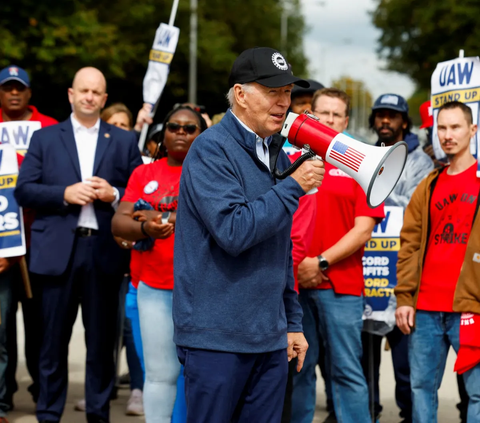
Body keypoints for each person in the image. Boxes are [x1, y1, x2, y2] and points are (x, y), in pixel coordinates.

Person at [172, 47, 324, 423]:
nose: (284, 102)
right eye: (273, 92)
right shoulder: (211, 148)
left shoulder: (275, 151)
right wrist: (292, 188)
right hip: (216, 340)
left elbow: (278, 246)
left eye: (288, 93)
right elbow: (233, 231)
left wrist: (291, 322)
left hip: (268, 339)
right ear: (240, 94)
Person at [14, 67, 143, 423]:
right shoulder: (45, 138)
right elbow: (24, 190)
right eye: (83, 90)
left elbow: (138, 194)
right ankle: (49, 413)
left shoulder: (123, 141)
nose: (89, 97)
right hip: (56, 253)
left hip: (104, 251)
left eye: (96, 92)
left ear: (104, 99)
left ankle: (99, 414)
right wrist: (64, 194)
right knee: (51, 342)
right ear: (71, 94)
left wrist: (114, 193)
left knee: (102, 345)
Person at [291, 88, 385, 423]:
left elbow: (363, 229)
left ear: (345, 121)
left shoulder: (362, 162)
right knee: (300, 371)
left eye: (336, 115)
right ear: (310, 115)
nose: (329, 119)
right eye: (323, 113)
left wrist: (320, 262)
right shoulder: (291, 159)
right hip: (296, 286)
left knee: (346, 371)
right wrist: (300, 267)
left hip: (341, 286)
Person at [112, 104, 207, 423]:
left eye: (190, 128)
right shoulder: (144, 173)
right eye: (174, 127)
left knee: (194, 375)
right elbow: (118, 223)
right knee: (159, 375)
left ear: (201, 135)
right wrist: (144, 227)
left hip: (202, 291)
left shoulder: (211, 171)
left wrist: (154, 215)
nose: (181, 132)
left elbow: (211, 223)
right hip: (153, 288)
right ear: (163, 133)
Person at [395, 100, 480, 422]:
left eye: (455, 127)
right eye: (441, 128)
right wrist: (405, 297)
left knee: (478, 394)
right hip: (426, 309)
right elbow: (410, 244)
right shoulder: (428, 185)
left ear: (472, 130)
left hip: (470, 307)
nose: (447, 135)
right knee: (421, 389)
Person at [362, 93, 433, 423]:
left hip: (404, 274)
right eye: (380, 115)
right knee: (364, 362)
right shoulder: (364, 155)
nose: (385, 121)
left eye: (392, 115)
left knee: (406, 365)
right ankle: (368, 412)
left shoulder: (422, 161)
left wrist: (376, 202)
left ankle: (409, 415)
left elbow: (415, 211)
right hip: (368, 272)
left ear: (405, 121)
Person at [72, 102, 144, 417]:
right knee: (105, 331)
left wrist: (114, 194)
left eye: (124, 124)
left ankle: (137, 389)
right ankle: (103, 386)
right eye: (113, 123)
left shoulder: (133, 155)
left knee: (128, 327)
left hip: (126, 257)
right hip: (95, 249)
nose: (119, 128)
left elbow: (139, 196)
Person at [0, 65, 58, 411]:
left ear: (29, 93)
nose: (14, 94)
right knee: (2, 330)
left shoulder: (48, 128)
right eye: (7, 88)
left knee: (41, 327)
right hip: (3, 248)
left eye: (19, 88)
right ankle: (2, 402)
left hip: (40, 245)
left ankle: (42, 394)